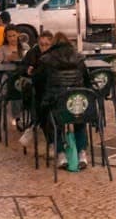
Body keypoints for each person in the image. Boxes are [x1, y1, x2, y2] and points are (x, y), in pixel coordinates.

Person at [32, 32, 90, 170]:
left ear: (53, 44)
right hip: (76, 103)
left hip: (56, 104)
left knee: (51, 119)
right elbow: (87, 81)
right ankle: (82, 154)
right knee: (79, 118)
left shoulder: (46, 59)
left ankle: (61, 154)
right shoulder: (79, 58)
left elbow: (37, 81)